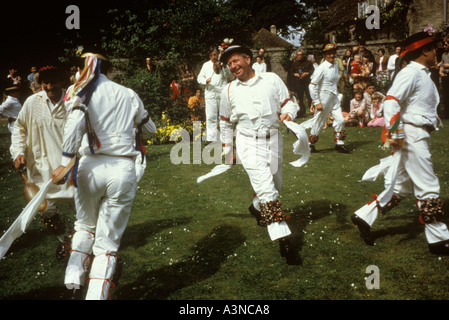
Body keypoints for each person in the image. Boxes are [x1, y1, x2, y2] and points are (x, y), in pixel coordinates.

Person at [51, 49, 157, 300]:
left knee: (84, 226)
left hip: (89, 167)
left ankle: (73, 283)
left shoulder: (80, 92)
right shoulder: (128, 93)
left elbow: (74, 124)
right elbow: (150, 129)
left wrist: (65, 161)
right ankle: (96, 295)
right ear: (109, 69)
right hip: (121, 168)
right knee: (107, 242)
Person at [351, 32, 449, 255]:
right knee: (428, 183)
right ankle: (439, 239)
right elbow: (391, 101)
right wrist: (397, 133)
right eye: (434, 48)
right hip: (411, 135)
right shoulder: (411, 73)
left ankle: (363, 216)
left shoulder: (421, 73)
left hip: (415, 134)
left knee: (402, 188)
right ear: (424, 50)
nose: (437, 52)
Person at [219, 45, 301, 265]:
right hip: (247, 142)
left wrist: (289, 113)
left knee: (276, 183)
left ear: (248, 59)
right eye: (229, 64)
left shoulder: (272, 79)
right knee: (267, 190)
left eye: (236, 61)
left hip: (274, 139)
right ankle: (284, 239)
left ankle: (255, 208)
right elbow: (225, 122)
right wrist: (228, 149)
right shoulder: (228, 91)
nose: (233, 66)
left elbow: (288, 102)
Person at [10, 65, 74, 258]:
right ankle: (66, 240)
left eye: (52, 82)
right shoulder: (32, 102)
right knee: (45, 209)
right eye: (44, 83)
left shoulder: (72, 102)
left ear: (62, 81)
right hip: (40, 167)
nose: (48, 86)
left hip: (69, 168)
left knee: (83, 209)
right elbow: (19, 129)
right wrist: (18, 152)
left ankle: (86, 244)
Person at [306, 43, 349, 153]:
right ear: (324, 55)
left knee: (340, 119)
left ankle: (339, 144)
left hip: (334, 96)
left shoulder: (335, 65)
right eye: (329, 53)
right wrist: (316, 102)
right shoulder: (322, 68)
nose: (332, 55)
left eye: (333, 53)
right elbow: (312, 85)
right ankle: (310, 144)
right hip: (323, 97)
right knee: (320, 121)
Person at [197, 46, 232, 144]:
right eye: (212, 55)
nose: (213, 57)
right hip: (211, 93)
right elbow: (199, 78)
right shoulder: (206, 65)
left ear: (218, 55)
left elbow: (228, 76)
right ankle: (211, 138)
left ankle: (224, 137)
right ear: (209, 56)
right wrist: (205, 80)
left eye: (215, 54)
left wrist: (224, 66)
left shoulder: (223, 64)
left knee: (224, 116)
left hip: (222, 93)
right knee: (211, 116)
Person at [288, 49, 314, 118]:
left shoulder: (308, 62)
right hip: (298, 83)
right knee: (300, 98)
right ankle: (302, 112)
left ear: (303, 55)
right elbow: (290, 72)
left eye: (301, 55)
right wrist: (295, 74)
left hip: (307, 82)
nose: (299, 56)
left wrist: (307, 73)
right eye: (298, 55)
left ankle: (313, 111)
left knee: (310, 97)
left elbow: (313, 71)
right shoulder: (294, 63)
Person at [439, 37, 449, 119]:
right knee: (445, 95)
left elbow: (445, 65)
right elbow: (442, 64)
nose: (444, 46)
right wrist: (440, 71)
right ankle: (446, 113)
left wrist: (447, 65)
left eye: (446, 45)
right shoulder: (444, 55)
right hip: (445, 77)